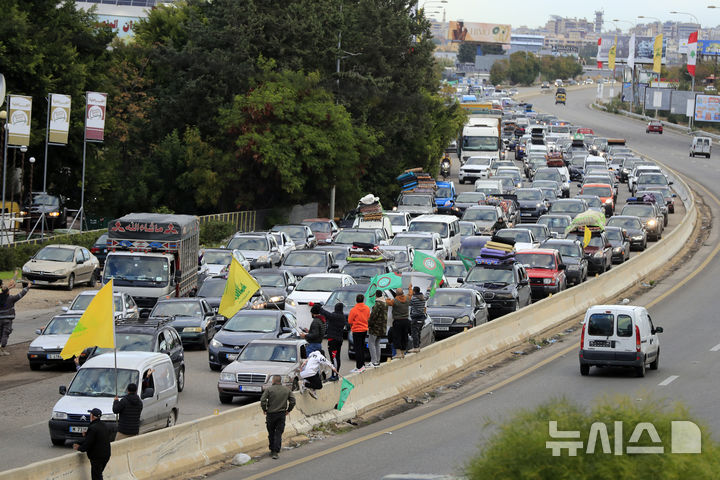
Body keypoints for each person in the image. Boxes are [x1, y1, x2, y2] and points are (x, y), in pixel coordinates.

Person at [260, 375, 296, 459]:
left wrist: (264, 409)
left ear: (273, 381)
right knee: (278, 432)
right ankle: (276, 449)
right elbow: (293, 401)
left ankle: (273, 450)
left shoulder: (269, 389)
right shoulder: (286, 390)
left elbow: (263, 400)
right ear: (280, 381)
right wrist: (288, 410)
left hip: (271, 414)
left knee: (271, 432)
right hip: (281, 414)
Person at [73, 408, 111, 480]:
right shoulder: (104, 425)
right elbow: (98, 437)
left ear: (92, 416)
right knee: (98, 474)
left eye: (90, 414)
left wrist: (79, 448)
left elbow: (87, 444)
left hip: (97, 457)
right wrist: (88, 434)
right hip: (106, 455)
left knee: (96, 477)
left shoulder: (93, 428)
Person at [0, 280, 30, 356]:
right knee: (5, 334)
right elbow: (21, 294)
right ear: (8, 292)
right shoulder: (11, 298)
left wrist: (9, 287)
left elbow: (3, 292)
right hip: (8, 320)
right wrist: (28, 287)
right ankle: (2, 349)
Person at [321, 302, 345, 381]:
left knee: (334, 358)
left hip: (333, 341)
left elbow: (327, 314)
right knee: (336, 358)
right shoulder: (342, 316)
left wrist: (319, 308)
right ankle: (335, 374)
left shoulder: (336, 316)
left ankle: (335, 375)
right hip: (338, 340)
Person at [386, 286, 411, 359]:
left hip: (397, 321)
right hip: (406, 321)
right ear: (403, 293)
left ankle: (398, 353)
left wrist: (387, 299)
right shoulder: (407, 298)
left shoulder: (395, 301)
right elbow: (410, 294)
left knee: (397, 337)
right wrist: (410, 288)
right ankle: (403, 353)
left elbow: (388, 303)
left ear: (396, 294)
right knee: (404, 336)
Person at [347, 294, 370, 373]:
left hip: (356, 330)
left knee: (358, 349)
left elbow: (350, 321)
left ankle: (359, 366)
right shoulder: (367, 308)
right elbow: (368, 317)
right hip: (364, 330)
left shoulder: (353, 310)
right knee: (362, 348)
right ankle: (362, 365)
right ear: (363, 300)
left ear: (356, 300)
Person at [367, 290, 388, 367]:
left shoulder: (377, 304)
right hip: (382, 328)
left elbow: (373, 316)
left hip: (375, 327)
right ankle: (377, 361)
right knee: (377, 344)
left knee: (371, 343)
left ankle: (373, 361)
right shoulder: (385, 303)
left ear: (376, 295)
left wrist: (369, 324)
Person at [409, 286, 429, 353]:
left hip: (415, 318)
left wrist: (409, 292)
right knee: (418, 333)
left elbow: (408, 303)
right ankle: (418, 346)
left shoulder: (413, 299)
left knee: (414, 333)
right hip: (422, 318)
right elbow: (427, 296)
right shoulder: (423, 298)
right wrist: (428, 290)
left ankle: (416, 347)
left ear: (414, 291)